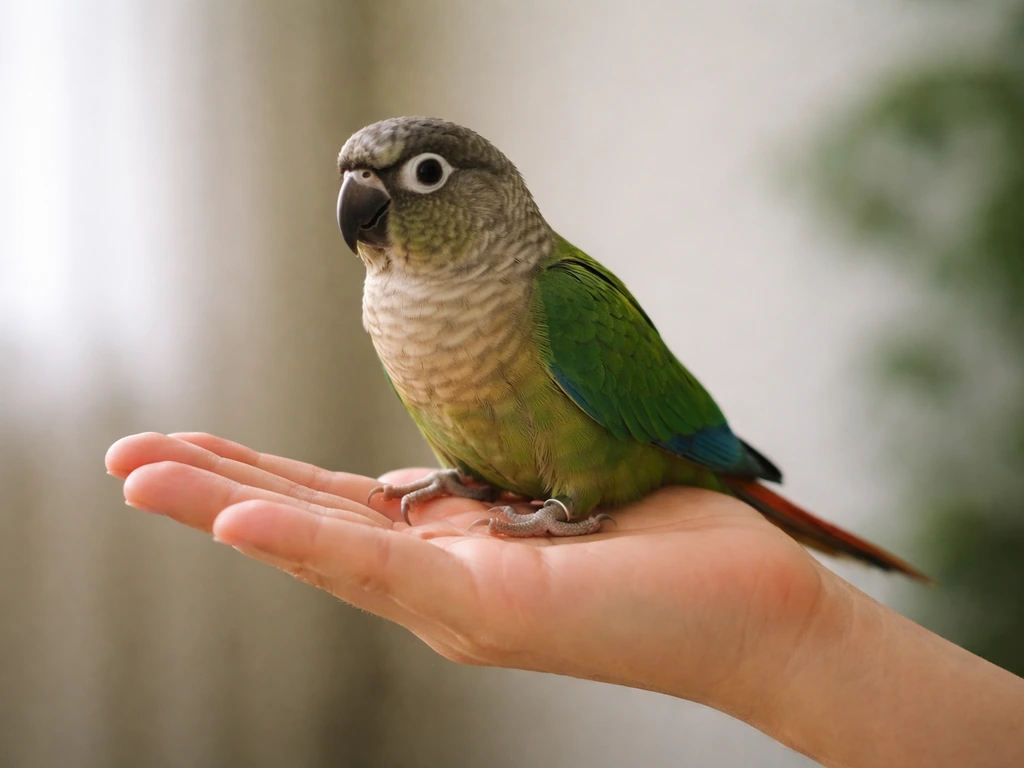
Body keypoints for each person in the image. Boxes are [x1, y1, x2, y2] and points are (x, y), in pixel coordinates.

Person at [106, 431, 1024, 768]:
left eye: (420, 176)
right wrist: (785, 640)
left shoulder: (553, 296)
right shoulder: (397, 305)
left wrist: (783, 636)